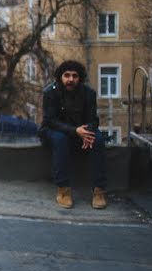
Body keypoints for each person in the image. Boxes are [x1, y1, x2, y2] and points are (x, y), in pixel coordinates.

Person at [40, 60, 107, 209]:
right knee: (61, 139)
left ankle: (99, 190)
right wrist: (75, 131)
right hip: (54, 131)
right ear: (61, 77)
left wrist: (87, 131)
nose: (71, 79)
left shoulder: (89, 93)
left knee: (98, 139)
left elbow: (93, 119)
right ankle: (63, 189)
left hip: (80, 132)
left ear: (80, 78)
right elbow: (50, 121)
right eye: (67, 75)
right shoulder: (50, 93)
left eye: (75, 76)